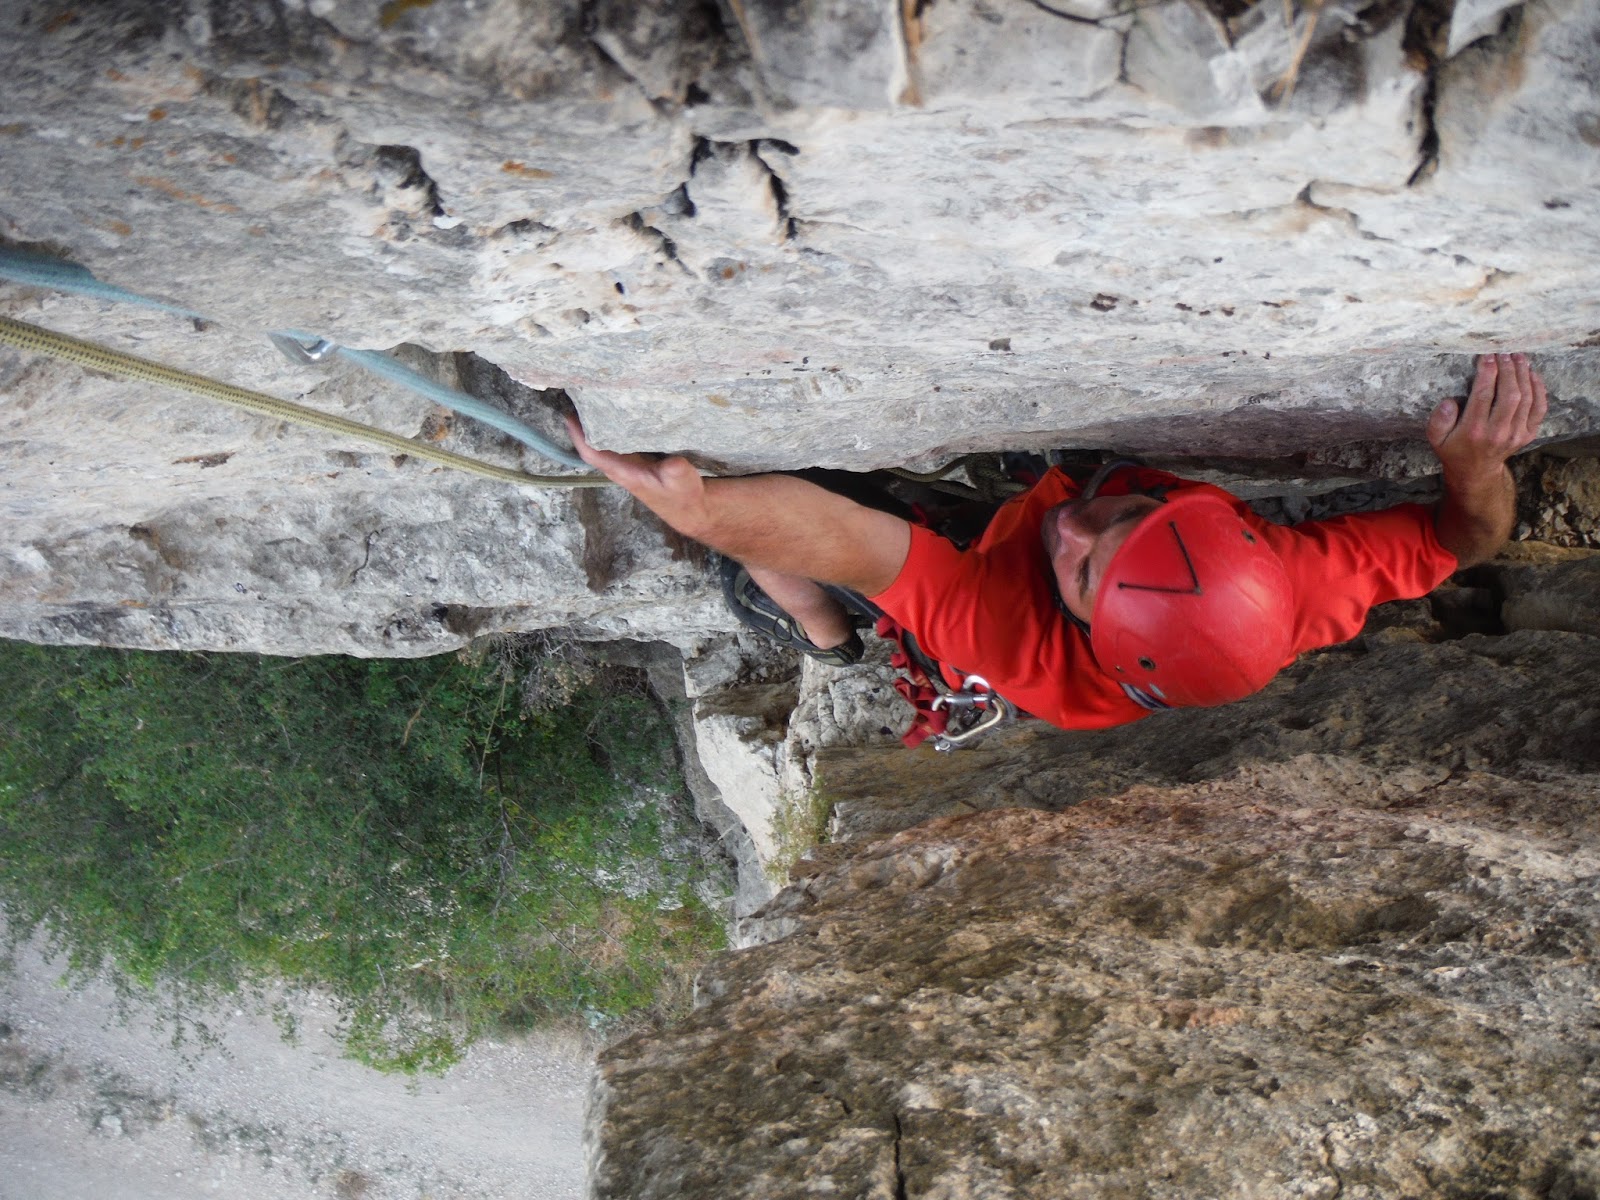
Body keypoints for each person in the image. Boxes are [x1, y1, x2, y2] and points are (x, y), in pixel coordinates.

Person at [567, 353, 1548, 732]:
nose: (1074, 524)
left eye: (1086, 567)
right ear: (1228, 530)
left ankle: (824, 643)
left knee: (781, 558)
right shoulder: (1280, 583)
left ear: (1079, 630)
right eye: (1127, 517)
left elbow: (856, 543)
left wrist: (702, 512)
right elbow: (1458, 543)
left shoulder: (1019, 645)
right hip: (1029, 562)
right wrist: (1474, 469)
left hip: (966, 583)